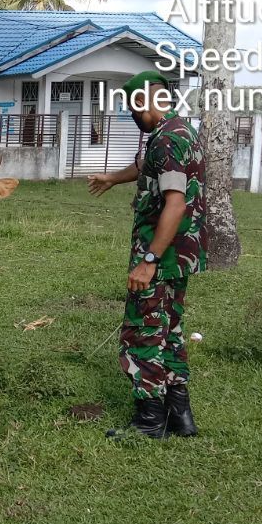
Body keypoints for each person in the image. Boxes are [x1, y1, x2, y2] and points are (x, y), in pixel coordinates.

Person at [88, 71, 206, 439]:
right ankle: (179, 415)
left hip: (162, 256)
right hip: (182, 256)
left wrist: (149, 261)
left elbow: (174, 203)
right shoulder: (180, 131)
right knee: (170, 330)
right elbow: (146, 167)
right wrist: (111, 178)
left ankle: (149, 421)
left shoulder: (166, 140)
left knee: (142, 333)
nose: (132, 117)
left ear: (144, 103)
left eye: (131, 109)